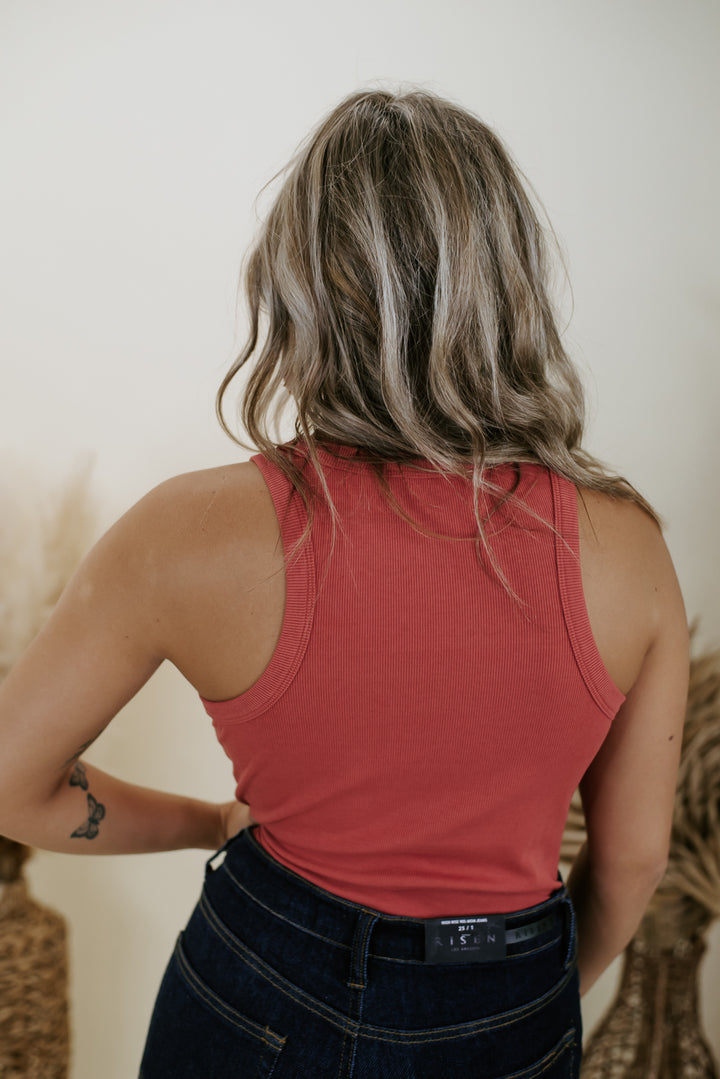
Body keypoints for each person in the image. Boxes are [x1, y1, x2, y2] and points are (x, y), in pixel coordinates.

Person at [0, 88, 688, 1078]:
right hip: (511, 997)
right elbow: (630, 862)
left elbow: (13, 784)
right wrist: (515, 1008)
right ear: (510, 285)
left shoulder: (184, 533)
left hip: (261, 988)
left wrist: (211, 823)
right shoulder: (628, 549)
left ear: (295, 288)